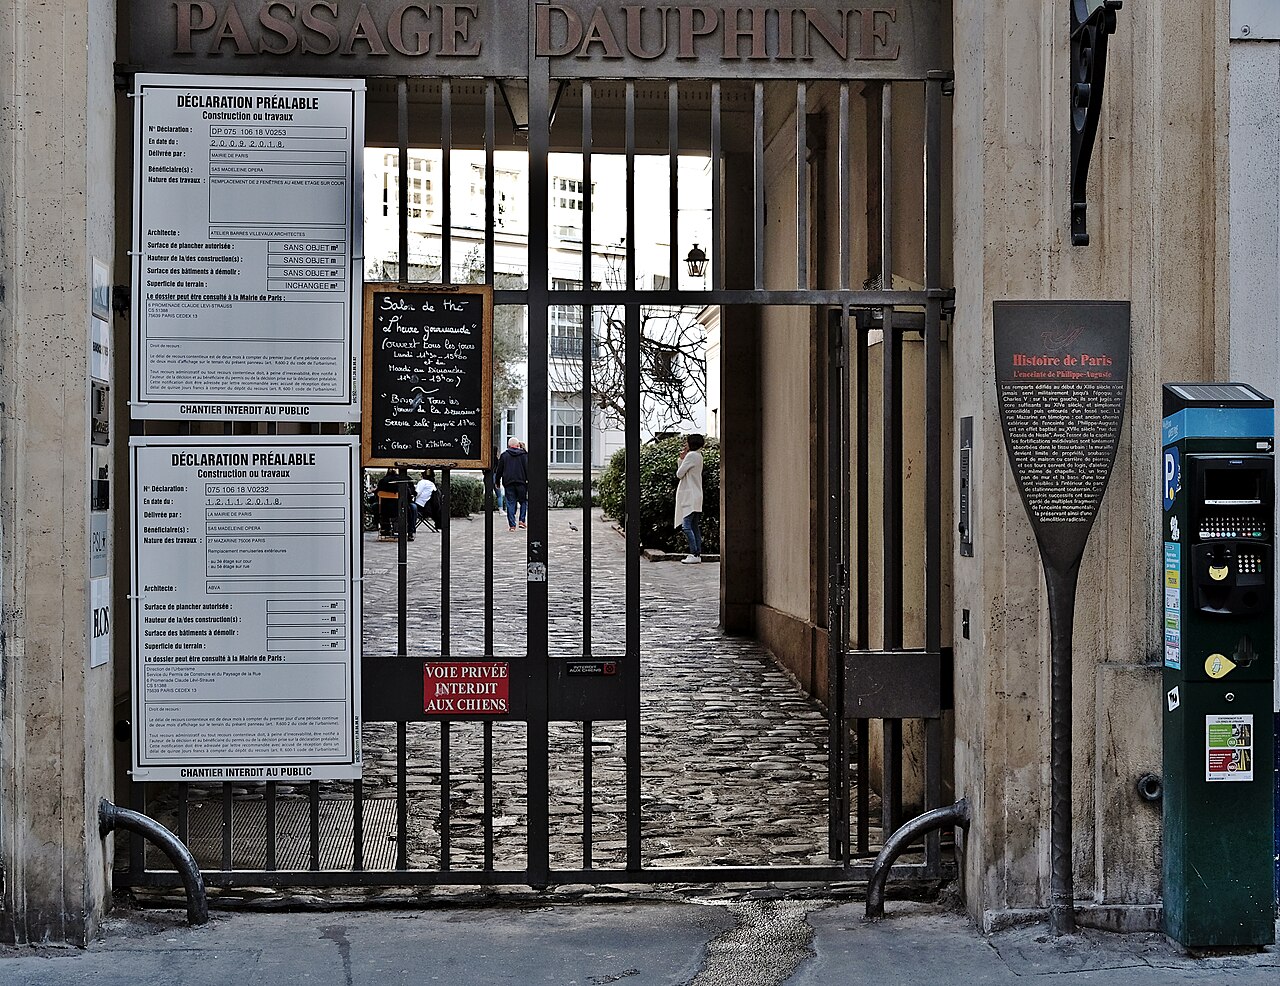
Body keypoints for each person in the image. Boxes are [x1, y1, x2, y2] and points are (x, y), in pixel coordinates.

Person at [674, 433, 705, 564]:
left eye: (687, 442)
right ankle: (697, 554)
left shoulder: (691, 456)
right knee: (694, 526)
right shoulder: (699, 456)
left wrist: (681, 459)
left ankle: (694, 553)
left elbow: (679, 473)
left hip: (689, 495)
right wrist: (683, 459)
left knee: (686, 526)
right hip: (697, 494)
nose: (685, 444)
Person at [496, 436, 529, 531]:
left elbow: (499, 470)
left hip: (508, 482)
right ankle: (522, 520)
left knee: (510, 503)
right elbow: (527, 469)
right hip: (521, 482)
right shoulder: (524, 455)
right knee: (523, 501)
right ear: (518, 445)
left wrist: (497, 481)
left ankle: (512, 525)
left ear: (509, 445)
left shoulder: (504, 455)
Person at [376, 466, 414, 541]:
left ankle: (385, 528)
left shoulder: (382, 481)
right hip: (402, 509)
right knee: (413, 508)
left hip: (385, 510)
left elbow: (377, 495)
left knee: (375, 506)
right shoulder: (405, 480)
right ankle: (410, 532)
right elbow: (409, 496)